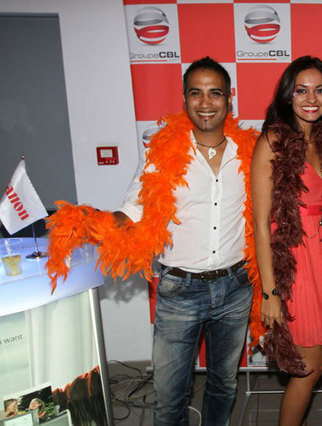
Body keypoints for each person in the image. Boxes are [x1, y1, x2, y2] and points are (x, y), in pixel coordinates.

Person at [46, 56, 260, 426]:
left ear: (229, 98)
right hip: (181, 291)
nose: (205, 102)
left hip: (236, 287)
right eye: (196, 93)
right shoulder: (161, 152)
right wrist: (93, 221)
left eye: (215, 93)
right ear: (184, 98)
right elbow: (133, 211)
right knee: (169, 397)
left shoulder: (250, 151)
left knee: (224, 386)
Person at [252, 56, 322, 426]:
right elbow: (261, 225)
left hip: (320, 261)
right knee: (310, 368)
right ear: (287, 95)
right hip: (293, 266)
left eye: (320, 90)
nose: (312, 98)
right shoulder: (272, 142)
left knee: (312, 365)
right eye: (301, 90)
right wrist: (270, 293)